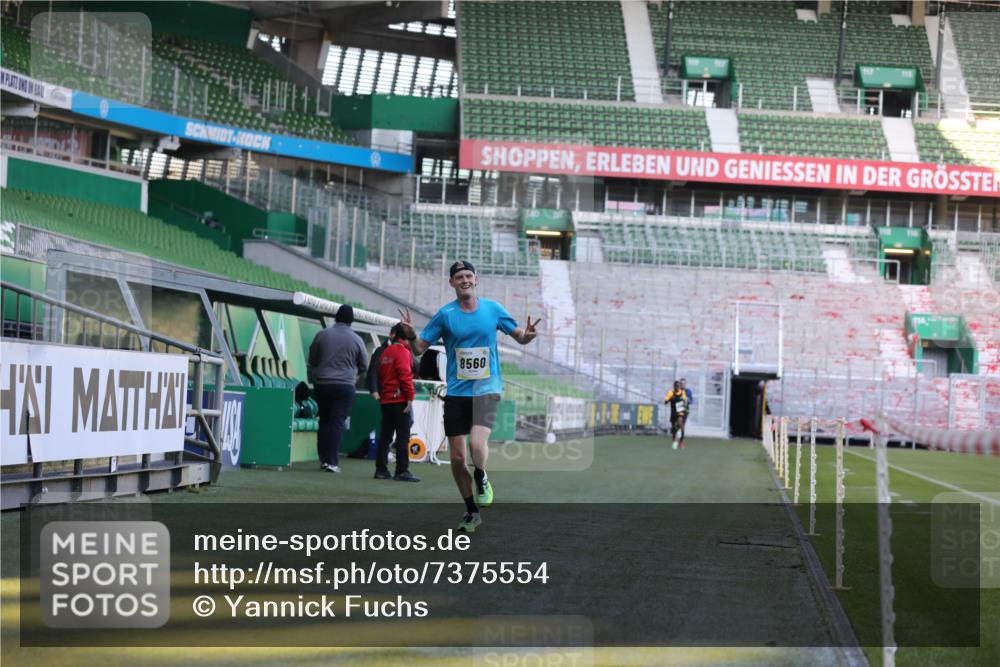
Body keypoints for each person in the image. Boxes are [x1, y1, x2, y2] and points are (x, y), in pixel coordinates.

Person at [399, 260, 540, 533]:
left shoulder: (493, 309)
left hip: (487, 388)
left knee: (476, 443)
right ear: (451, 283)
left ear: (476, 280)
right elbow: (418, 348)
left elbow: (520, 337)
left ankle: (481, 475)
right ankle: (471, 511)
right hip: (457, 392)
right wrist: (412, 334)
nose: (464, 280)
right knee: (456, 458)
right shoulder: (445, 315)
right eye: (459, 277)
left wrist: (529, 336)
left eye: (468, 276)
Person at [308, 305, 367, 473]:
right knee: (337, 422)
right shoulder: (356, 339)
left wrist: (315, 376)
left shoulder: (322, 334)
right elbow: (364, 364)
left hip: (323, 384)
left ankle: (323, 460)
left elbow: (313, 359)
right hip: (345, 385)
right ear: (351, 320)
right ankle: (333, 462)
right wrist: (353, 374)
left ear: (336, 317)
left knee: (324, 421)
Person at [374, 323, 420, 483]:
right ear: (406, 337)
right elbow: (405, 376)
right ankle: (401, 470)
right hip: (399, 399)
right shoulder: (403, 352)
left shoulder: (386, 352)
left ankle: (381, 469)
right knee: (403, 437)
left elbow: (381, 375)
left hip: (386, 399)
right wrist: (410, 397)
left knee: (385, 436)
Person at [664, 380, 690, 450]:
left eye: (678, 386)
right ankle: (674, 441)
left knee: (681, 425)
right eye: (676, 386)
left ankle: (681, 441)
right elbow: (665, 401)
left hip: (680, 410)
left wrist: (686, 409)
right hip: (673, 411)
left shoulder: (682, 392)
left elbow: (685, 401)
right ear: (674, 386)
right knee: (674, 428)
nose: (677, 387)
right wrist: (669, 400)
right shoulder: (671, 392)